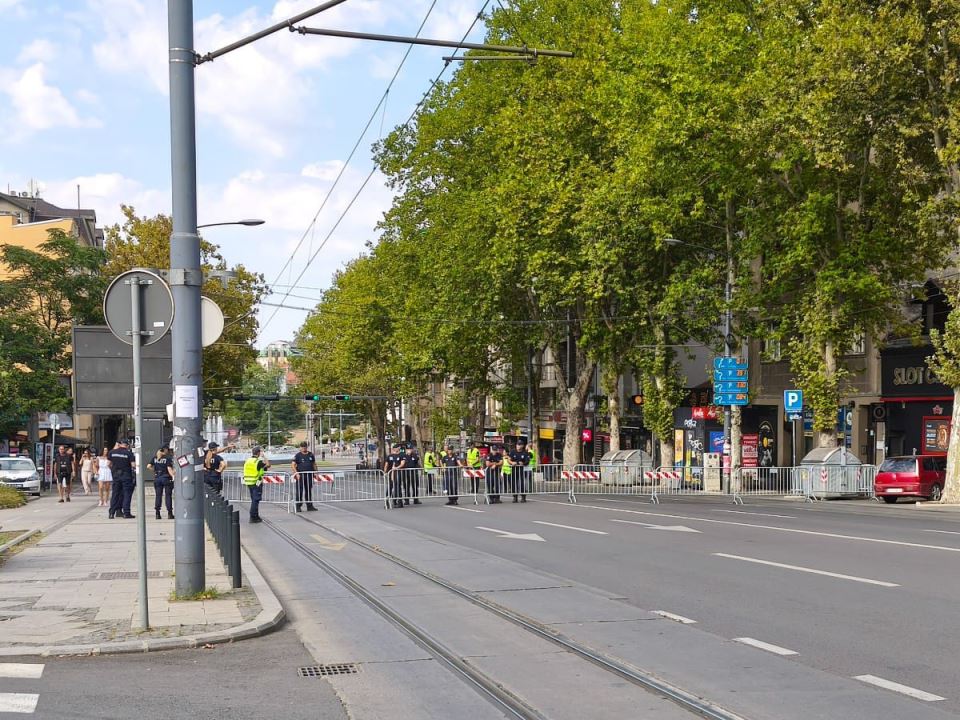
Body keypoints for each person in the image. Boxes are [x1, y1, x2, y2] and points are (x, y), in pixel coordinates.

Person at [108, 438, 137, 519]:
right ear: (127, 445)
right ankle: (126, 513)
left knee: (115, 494)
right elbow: (133, 465)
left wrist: (114, 471)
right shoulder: (129, 453)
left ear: (120, 444)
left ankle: (111, 513)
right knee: (126, 494)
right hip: (126, 475)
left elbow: (108, 464)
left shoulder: (112, 452)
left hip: (116, 476)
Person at [242, 447, 270, 523]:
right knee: (256, 500)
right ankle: (253, 516)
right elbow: (268, 465)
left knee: (254, 499)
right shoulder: (258, 462)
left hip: (248, 482)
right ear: (258, 453)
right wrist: (264, 456)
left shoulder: (247, 461)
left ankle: (256, 516)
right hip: (256, 483)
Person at [291, 441, 318, 512]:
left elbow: (314, 464)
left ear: (307, 447)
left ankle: (309, 506)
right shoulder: (298, 455)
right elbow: (293, 465)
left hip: (309, 475)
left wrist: (315, 472)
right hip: (300, 476)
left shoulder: (311, 454)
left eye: (305, 446)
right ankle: (298, 506)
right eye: (302, 447)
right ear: (300, 447)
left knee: (308, 491)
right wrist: (296, 473)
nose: (303, 448)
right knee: (299, 491)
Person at [149, 447, 175, 519]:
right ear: (165, 450)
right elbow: (169, 469)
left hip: (158, 478)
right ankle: (170, 513)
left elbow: (148, 466)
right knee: (168, 496)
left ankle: (157, 513)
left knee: (158, 496)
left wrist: (155, 471)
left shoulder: (155, 458)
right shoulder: (167, 458)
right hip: (166, 478)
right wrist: (173, 476)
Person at [507, 438, 532, 503]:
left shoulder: (525, 453)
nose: (518, 446)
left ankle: (523, 497)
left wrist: (523, 463)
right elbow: (509, 459)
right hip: (514, 470)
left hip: (522, 471)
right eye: (518, 445)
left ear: (522, 446)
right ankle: (515, 497)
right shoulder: (513, 451)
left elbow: (527, 461)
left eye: (520, 445)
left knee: (522, 484)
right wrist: (512, 463)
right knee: (513, 484)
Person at [384, 443, 403, 509]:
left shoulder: (389, 456)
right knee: (397, 487)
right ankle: (398, 502)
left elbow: (386, 465)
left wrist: (385, 472)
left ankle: (387, 502)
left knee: (390, 487)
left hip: (391, 473)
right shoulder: (399, 455)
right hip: (395, 473)